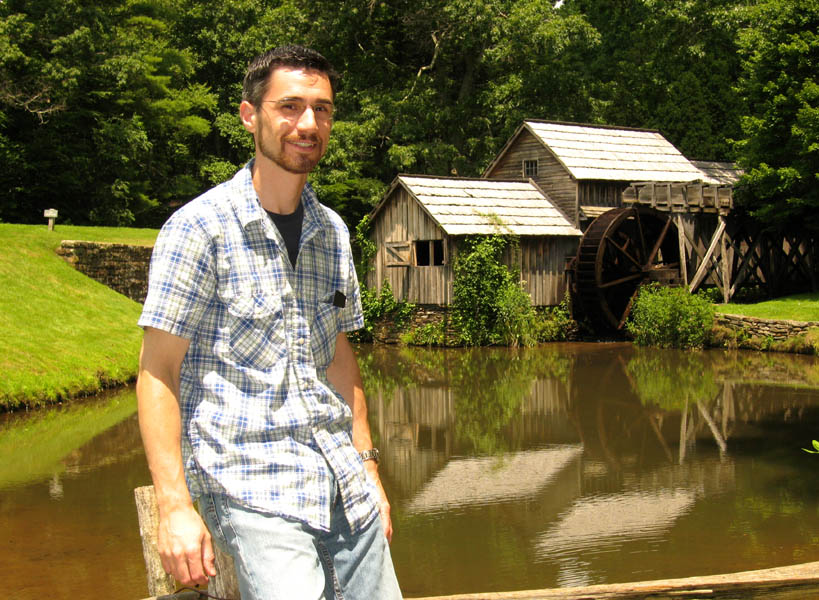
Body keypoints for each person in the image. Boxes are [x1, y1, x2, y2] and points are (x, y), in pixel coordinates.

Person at [136, 45, 402, 600]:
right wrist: (174, 506)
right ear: (249, 115)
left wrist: (369, 468)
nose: (308, 124)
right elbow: (158, 372)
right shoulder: (199, 229)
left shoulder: (333, 233)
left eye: (322, 109)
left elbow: (338, 356)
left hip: (342, 480)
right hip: (251, 486)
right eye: (290, 106)